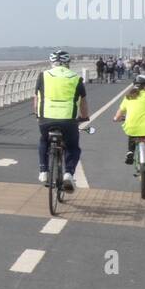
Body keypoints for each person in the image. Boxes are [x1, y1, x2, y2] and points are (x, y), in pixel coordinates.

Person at [35, 49, 89, 191]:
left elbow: (37, 99)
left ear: (51, 62)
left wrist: (37, 115)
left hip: (46, 118)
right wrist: (84, 117)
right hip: (68, 120)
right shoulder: (76, 78)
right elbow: (83, 102)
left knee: (43, 140)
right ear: (67, 63)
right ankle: (68, 174)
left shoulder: (43, 76)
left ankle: (43, 171)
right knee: (72, 147)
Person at [112, 74, 145, 184]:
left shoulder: (128, 97)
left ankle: (130, 151)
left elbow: (118, 116)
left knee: (132, 131)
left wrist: (116, 119)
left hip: (132, 127)